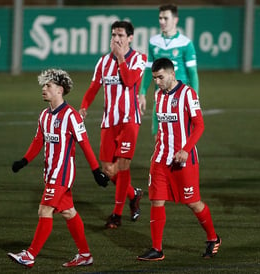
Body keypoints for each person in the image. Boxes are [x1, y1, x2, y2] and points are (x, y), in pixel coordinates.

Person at [7, 69, 109, 268]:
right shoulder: (44, 115)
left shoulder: (72, 116)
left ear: (60, 90)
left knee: (44, 210)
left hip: (62, 173)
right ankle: (85, 255)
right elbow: (38, 141)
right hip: (50, 173)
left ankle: (30, 255)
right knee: (69, 212)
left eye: (48, 86)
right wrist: (24, 161)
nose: (44, 89)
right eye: (44, 86)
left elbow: (85, 144)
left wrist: (96, 171)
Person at [137, 58, 220, 261]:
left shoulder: (188, 94)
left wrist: (185, 149)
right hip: (160, 158)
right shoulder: (158, 95)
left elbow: (199, 125)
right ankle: (157, 249)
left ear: (172, 74)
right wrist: (159, 136)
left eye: (160, 77)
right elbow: (163, 124)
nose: (157, 82)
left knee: (193, 202)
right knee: (156, 200)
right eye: (155, 78)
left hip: (184, 160)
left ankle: (213, 238)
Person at [79, 21, 147, 229]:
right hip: (109, 121)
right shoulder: (102, 62)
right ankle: (133, 195)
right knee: (108, 169)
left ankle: (116, 214)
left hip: (129, 121)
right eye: (113, 35)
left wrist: (119, 58)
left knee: (122, 166)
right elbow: (94, 87)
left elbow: (128, 81)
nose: (116, 39)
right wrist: (83, 107)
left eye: (120, 35)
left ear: (130, 38)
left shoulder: (139, 59)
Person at [139, 4, 199, 139]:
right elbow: (149, 69)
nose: (162, 21)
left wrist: (195, 99)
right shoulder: (154, 42)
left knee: (180, 138)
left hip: (180, 97)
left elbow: (193, 74)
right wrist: (142, 93)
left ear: (175, 20)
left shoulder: (185, 43)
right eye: (160, 18)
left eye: (166, 18)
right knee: (158, 137)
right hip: (160, 97)